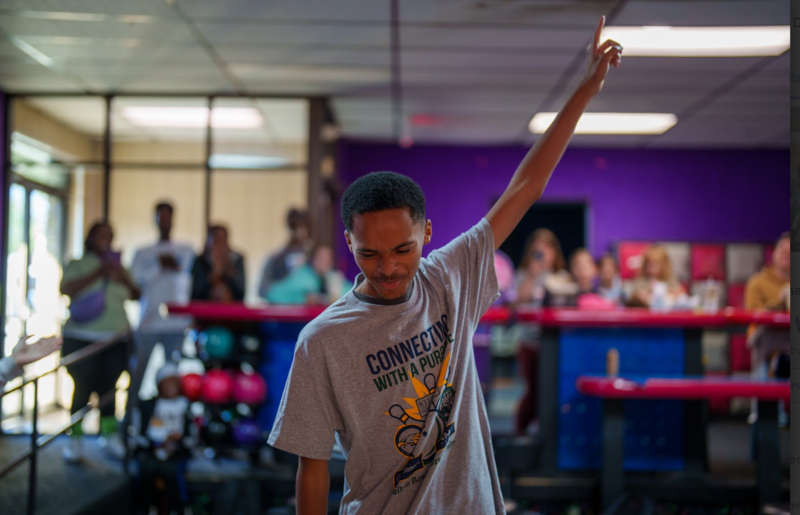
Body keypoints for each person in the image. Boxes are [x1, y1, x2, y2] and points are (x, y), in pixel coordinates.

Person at [268, 17, 621, 514]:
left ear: (426, 234)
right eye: (370, 253)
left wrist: (584, 90)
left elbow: (525, 187)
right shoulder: (322, 341)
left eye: (403, 250)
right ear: (348, 243)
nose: (388, 268)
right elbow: (311, 468)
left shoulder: (452, 276)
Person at [60, 221, 141, 463]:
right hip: (81, 337)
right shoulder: (78, 264)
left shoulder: (120, 268)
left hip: (115, 338)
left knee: (109, 390)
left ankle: (109, 436)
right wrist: (99, 272)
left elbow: (137, 295)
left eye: (109, 235)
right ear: (90, 237)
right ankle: (75, 440)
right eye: (100, 234)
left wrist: (120, 275)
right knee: (82, 388)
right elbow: (65, 288)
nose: (105, 239)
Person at [129, 202, 195, 403]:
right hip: (148, 322)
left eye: (168, 216)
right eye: (161, 216)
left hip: (176, 324)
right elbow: (136, 284)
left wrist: (172, 266)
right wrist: (160, 266)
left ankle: (170, 427)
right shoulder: (143, 253)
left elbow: (187, 280)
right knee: (137, 374)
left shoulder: (186, 250)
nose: (164, 221)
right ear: (155, 219)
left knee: (172, 378)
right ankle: (130, 423)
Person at [512, 228, 570, 435]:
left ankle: (546, 437)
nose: (542, 253)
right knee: (533, 390)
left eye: (546, 249)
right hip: (529, 342)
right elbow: (518, 300)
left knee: (551, 389)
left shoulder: (562, 277)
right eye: (537, 250)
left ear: (554, 252)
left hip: (553, 343)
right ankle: (520, 433)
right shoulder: (523, 275)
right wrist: (533, 274)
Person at [131, 363, 191, 515]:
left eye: (175, 381)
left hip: (176, 452)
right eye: (167, 381)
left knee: (172, 471)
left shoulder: (185, 405)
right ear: (159, 384)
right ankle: (144, 508)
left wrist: (179, 440)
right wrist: (158, 443)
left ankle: (178, 509)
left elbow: (192, 437)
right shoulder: (146, 406)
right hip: (151, 450)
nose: (172, 385)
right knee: (147, 469)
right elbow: (138, 434)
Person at [745, 232, 790, 425]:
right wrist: (779, 300)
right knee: (765, 347)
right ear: (774, 253)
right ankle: (765, 410)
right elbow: (752, 314)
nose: (786, 255)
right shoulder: (758, 281)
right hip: (764, 340)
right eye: (782, 250)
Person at [266, 244, 353, 305]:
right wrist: (303, 299)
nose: (324, 263)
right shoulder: (302, 276)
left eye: (328, 260)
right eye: (321, 258)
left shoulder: (334, 278)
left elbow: (353, 293)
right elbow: (273, 293)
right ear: (313, 260)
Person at [258, 208, 312, 299]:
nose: (297, 231)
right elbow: (262, 290)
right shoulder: (275, 259)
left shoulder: (315, 256)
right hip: (283, 310)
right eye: (293, 226)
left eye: (301, 226)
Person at [191, 225, 246, 302]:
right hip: (206, 311)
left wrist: (230, 273)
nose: (221, 247)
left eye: (224, 241)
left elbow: (241, 294)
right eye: (217, 241)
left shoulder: (237, 260)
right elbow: (195, 294)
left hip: (230, 312)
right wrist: (214, 273)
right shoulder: (200, 261)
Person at [626, 244, 686, 309]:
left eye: (656, 265)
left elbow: (680, 291)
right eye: (650, 265)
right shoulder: (642, 280)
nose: (652, 268)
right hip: (646, 312)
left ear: (664, 265)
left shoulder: (669, 279)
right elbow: (634, 296)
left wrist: (668, 291)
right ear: (645, 264)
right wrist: (647, 292)